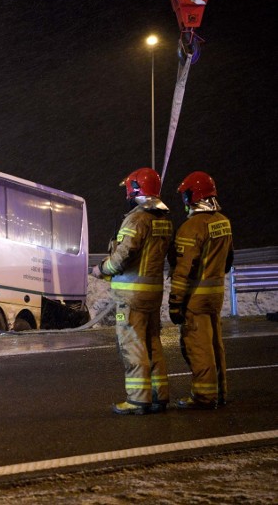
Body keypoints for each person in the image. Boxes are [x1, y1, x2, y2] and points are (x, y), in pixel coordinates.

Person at [92, 168, 173, 415]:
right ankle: (159, 396)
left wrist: (101, 269)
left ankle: (138, 399)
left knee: (132, 344)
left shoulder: (137, 219)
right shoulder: (164, 220)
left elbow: (123, 256)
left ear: (135, 190)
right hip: (152, 294)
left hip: (131, 297)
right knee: (152, 343)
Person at [168, 171, 234, 410]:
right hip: (216, 295)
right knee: (216, 344)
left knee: (198, 346)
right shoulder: (223, 222)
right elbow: (228, 261)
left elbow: (183, 270)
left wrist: (175, 303)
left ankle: (204, 396)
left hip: (196, 297)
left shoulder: (191, 227)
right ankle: (220, 391)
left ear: (192, 196)